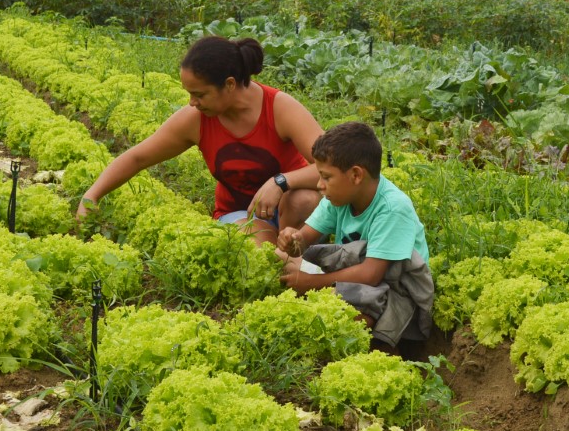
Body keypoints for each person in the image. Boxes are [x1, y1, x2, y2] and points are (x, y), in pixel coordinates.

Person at [76, 36, 323, 244]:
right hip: (239, 215)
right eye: (189, 94)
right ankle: (285, 256)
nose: (192, 102)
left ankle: (293, 251)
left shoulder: (279, 108)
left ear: (229, 84)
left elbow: (333, 166)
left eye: (199, 94)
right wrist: (92, 196)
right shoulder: (196, 119)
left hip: (290, 209)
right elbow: (138, 157)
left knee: (304, 199)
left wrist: (280, 182)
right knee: (256, 243)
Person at [277, 121, 433, 348]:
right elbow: (304, 240)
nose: (320, 185)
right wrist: (292, 239)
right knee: (279, 257)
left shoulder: (392, 207)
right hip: (355, 277)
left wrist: (312, 283)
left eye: (326, 177)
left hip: (397, 289)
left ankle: (379, 348)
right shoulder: (338, 198)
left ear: (356, 175)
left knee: (347, 317)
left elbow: (371, 275)